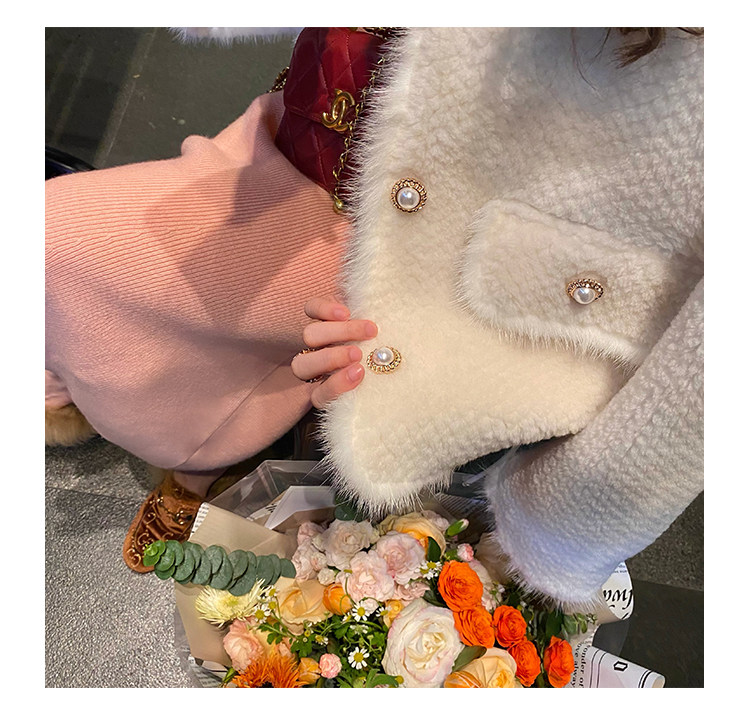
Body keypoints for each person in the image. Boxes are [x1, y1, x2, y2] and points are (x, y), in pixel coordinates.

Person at [46, 27, 703, 608]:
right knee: (85, 259)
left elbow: (699, 376)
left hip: (423, 245)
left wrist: (565, 527)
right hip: (315, 128)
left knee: (58, 240)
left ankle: (192, 447)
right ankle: (188, 414)